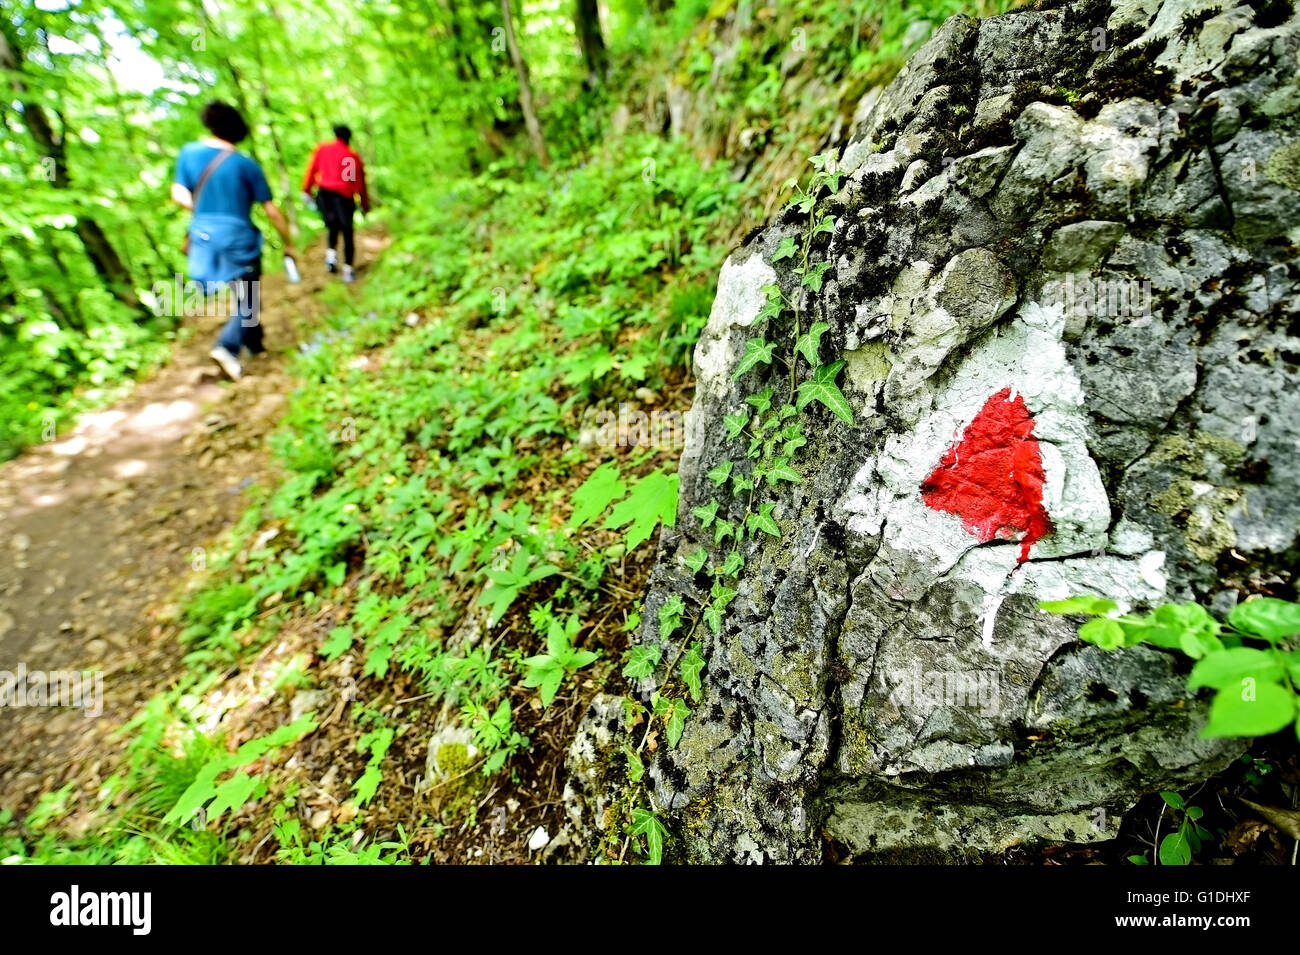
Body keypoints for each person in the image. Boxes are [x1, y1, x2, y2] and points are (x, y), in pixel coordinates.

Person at [172, 100, 296, 381]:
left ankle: (255, 343)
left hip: (203, 235)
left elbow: (179, 194)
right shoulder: (246, 165)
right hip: (238, 235)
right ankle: (226, 347)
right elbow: (272, 211)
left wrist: (204, 213)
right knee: (248, 295)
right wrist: (288, 243)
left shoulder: (189, 154)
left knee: (243, 294)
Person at [301, 124, 370, 283]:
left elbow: (312, 170)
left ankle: (331, 257)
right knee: (347, 230)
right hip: (343, 197)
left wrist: (306, 190)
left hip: (324, 195)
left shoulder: (323, 150)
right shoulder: (350, 156)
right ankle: (348, 268)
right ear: (348, 138)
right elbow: (354, 182)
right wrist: (364, 204)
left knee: (332, 226)